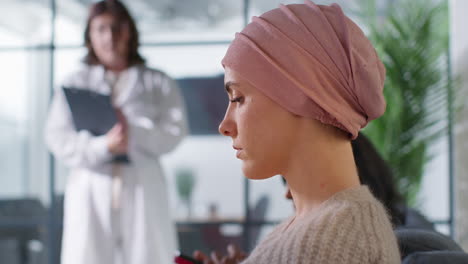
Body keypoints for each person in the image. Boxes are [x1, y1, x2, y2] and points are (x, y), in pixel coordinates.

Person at [194, 1, 400, 263]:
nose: (224, 126)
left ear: (300, 96)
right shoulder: (312, 226)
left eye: (238, 98)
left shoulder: (326, 245)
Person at [45, 1, 188, 263]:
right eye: (100, 29)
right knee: (87, 255)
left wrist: (133, 134)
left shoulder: (158, 81)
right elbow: (57, 137)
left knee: (149, 254)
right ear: (89, 35)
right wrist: (102, 147)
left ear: (130, 32)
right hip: (91, 184)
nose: (109, 37)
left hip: (142, 183)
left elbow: (175, 131)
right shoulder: (73, 82)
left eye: (116, 28)